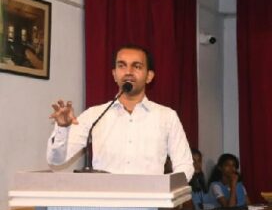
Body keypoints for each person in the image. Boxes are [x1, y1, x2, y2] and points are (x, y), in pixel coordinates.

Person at [47, 44, 193, 181]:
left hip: (150, 199)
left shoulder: (167, 116)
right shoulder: (94, 115)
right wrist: (63, 129)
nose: (128, 72)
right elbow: (56, 160)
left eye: (137, 66)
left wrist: (163, 189)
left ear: (149, 76)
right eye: (122, 66)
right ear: (114, 74)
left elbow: (185, 166)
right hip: (105, 198)